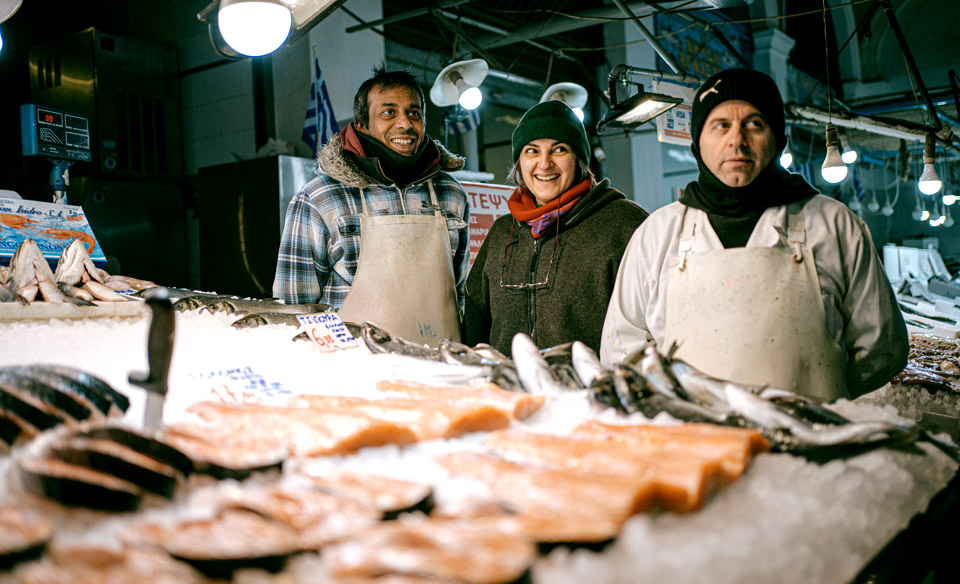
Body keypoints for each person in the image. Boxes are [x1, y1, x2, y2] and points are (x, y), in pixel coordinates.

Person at [600, 68, 907, 401]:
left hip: (810, 442)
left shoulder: (835, 225)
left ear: (777, 137)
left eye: (753, 124)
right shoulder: (656, 235)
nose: (737, 140)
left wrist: (820, 398)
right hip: (697, 442)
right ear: (697, 142)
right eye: (721, 126)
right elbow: (622, 350)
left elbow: (881, 347)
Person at [273, 67, 470, 345]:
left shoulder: (451, 193)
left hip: (441, 368)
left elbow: (459, 291)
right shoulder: (321, 197)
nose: (405, 124)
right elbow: (295, 308)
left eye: (414, 113)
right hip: (354, 373)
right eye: (389, 112)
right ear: (362, 125)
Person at [462, 100, 648, 357]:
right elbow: (474, 324)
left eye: (559, 150)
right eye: (532, 151)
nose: (545, 163)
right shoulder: (502, 232)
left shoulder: (624, 223)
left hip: (592, 393)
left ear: (579, 159)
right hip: (509, 394)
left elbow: (655, 322)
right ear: (520, 162)